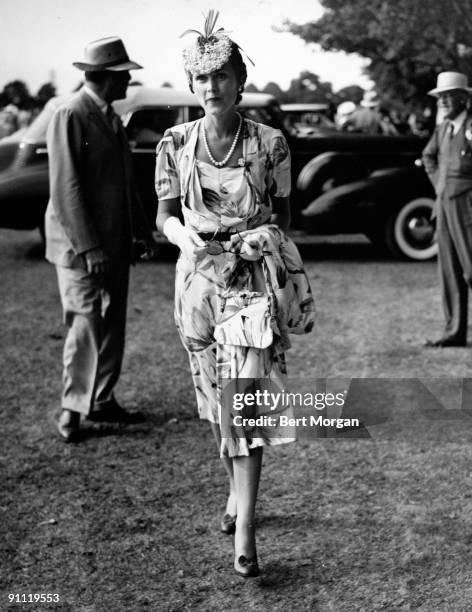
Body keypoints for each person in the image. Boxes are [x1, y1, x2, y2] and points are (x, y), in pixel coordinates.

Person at [155, 11, 314, 578]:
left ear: (239, 80)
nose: (212, 88)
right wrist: (184, 238)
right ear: (192, 86)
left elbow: (286, 216)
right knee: (216, 401)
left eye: (222, 76)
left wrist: (259, 237)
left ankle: (246, 525)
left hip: (250, 284)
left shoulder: (271, 144)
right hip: (197, 285)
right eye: (202, 80)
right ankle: (234, 496)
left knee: (246, 400)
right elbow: (163, 218)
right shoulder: (174, 142)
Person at [45, 37, 154, 441]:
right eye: (124, 75)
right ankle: (72, 409)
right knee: (86, 325)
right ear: (108, 77)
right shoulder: (70, 114)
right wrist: (89, 248)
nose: (129, 82)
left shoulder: (108, 115)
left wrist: (141, 231)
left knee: (112, 324)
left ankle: (102, 400)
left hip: (114, 243)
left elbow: (125, 183)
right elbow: (66, 188)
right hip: (80, 249)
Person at [422, 71, 472, 347]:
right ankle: (454, 332)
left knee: (471, 269)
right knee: (450, 271)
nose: (443, 101)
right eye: (441, 97)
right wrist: (440, 183)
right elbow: (427, 155)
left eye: (449, 96)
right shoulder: (442, 129)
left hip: (468, 207)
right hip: (444, 205)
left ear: (464, 98)